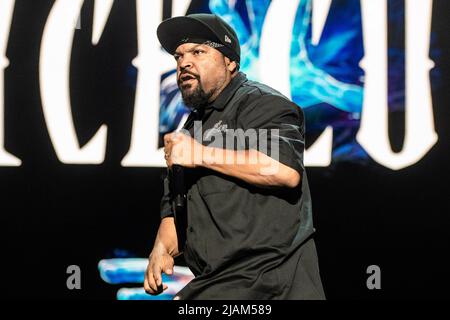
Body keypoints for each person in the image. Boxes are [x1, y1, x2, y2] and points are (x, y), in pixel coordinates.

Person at [144, 13, 325, 300]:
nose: (184, 63)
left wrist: (200, 155)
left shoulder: (264, 104)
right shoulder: (191, 131)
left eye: (198, 52)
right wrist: (162, 248)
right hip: (217, 283)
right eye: (178, 56)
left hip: (270, 285)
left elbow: (283, 171)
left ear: (230, 62)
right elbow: (177, 206)